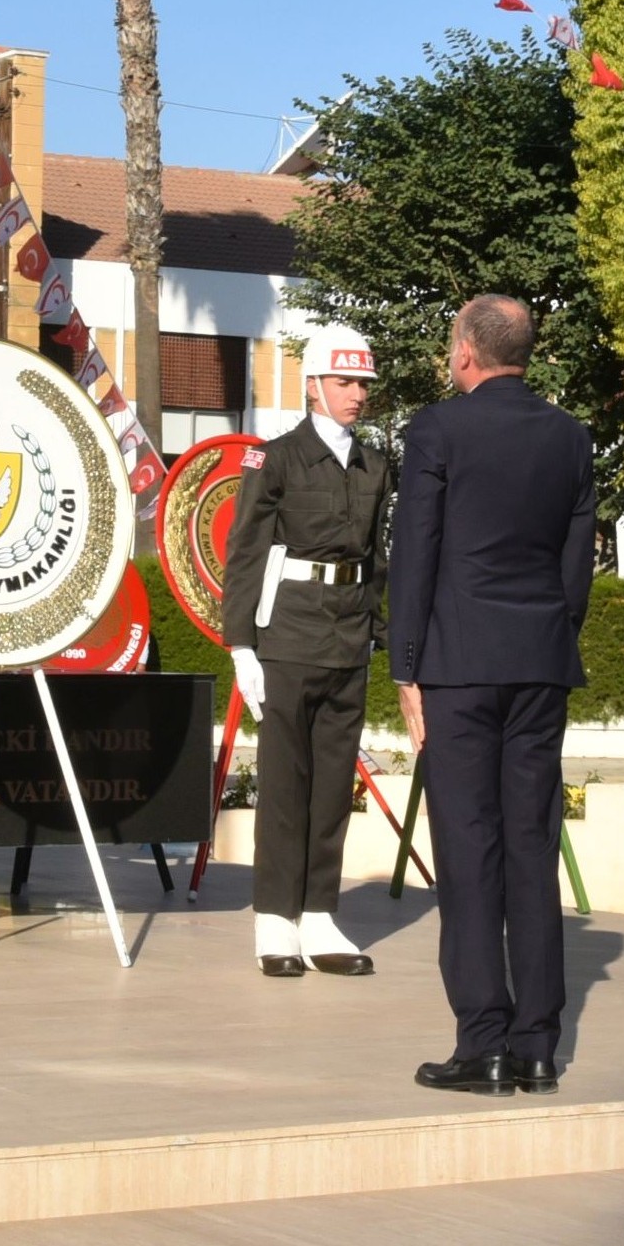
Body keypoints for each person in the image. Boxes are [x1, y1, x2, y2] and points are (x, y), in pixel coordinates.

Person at [387, 294, 595, 1096]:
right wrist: (550, 635)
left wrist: (407, 667)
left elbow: (417, 554)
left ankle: (484, 1043)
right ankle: (538, 1044)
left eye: (450, 346)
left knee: (470, 850)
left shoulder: (438, 430)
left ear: (467, 352)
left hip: (460, 665)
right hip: (541, 660)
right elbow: (576, 564)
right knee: (531, 844)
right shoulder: (571, 436)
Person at [222, 323, 392, 979]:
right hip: (288, 635)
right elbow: (246, 554)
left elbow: (375, 559)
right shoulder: (276, 459)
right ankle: (274, 918)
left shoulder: (375, 464)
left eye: (363, 385)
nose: (357, 395)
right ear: (313, 386)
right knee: (286, 783)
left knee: (332, 785)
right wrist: (241, 645)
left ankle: (319, 914)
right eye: (346, 382)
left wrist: (380, 634)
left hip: (348, 635)